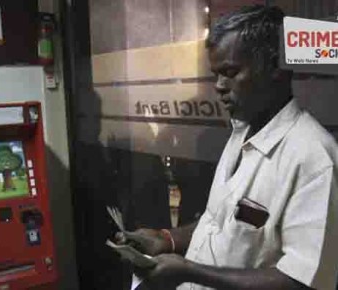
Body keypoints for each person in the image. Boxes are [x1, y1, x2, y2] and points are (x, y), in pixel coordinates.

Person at [117, 5, 338, 290]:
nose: (219, 86)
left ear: (274, 67)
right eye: (216, 74)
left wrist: (190, 272)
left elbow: (302, 281)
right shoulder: (240, 132)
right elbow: (221, 223)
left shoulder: (313, 158)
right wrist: (167, 239)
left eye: (231, 72)